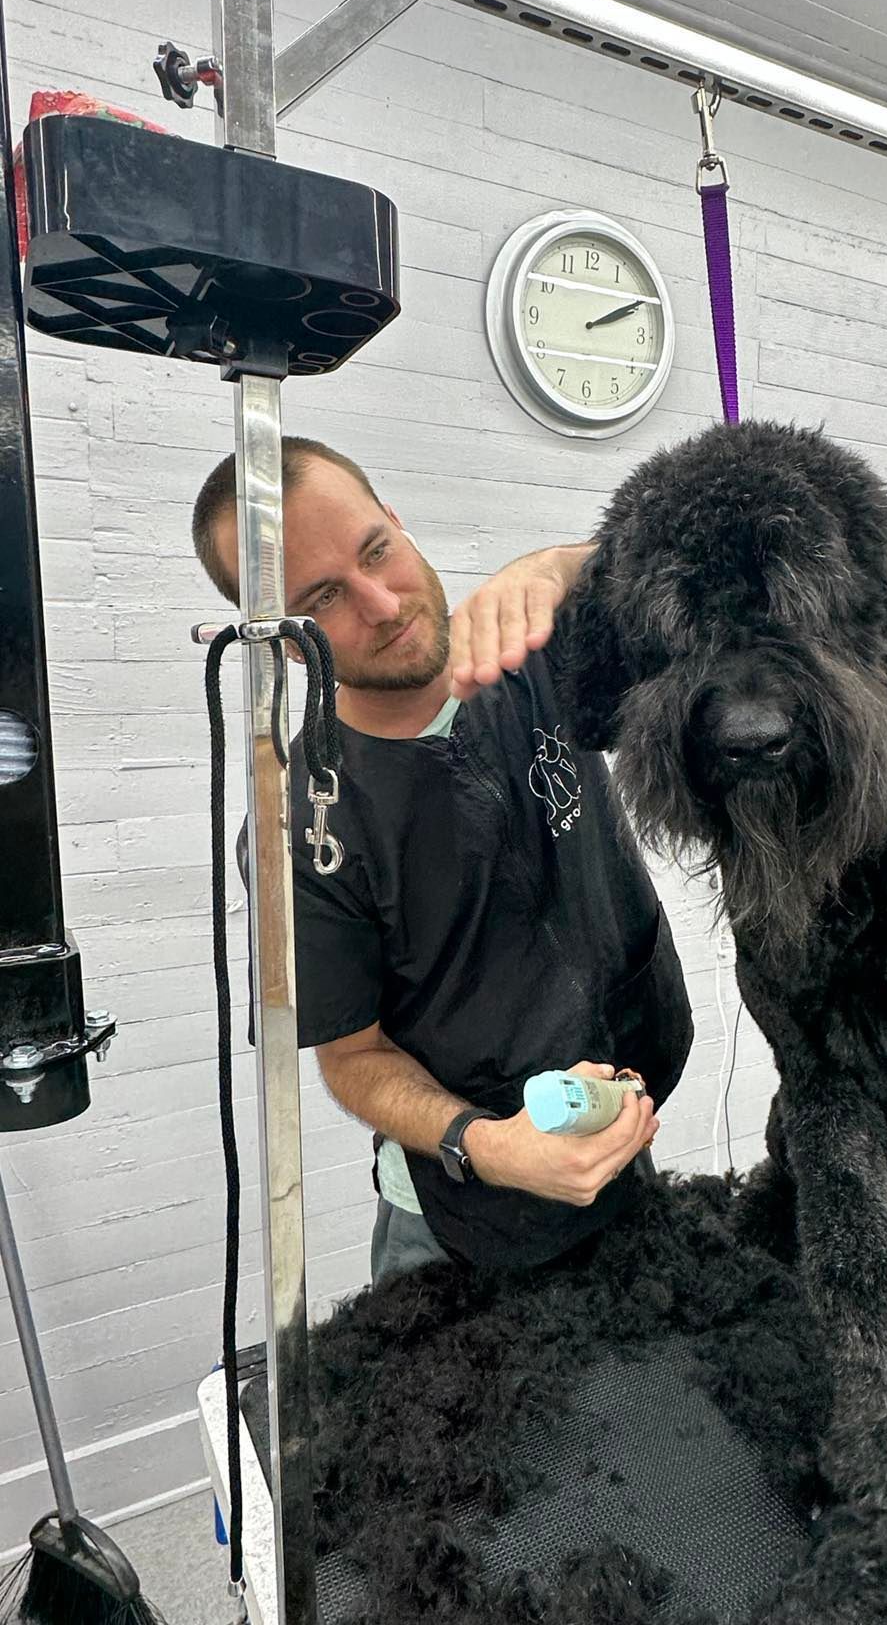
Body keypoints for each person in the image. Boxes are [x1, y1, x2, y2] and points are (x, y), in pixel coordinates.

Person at [191, 438, 692, 1280]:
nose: (383, 604)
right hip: (465, 1215)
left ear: (397, 520)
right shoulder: (307, 825)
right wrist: (488, 1146)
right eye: (325, 597)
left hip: (621, 1135)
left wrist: (560, 564)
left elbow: (689, 554)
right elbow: (352, 1059)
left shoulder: (539, 653)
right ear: (279, 641)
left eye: (376, 551)